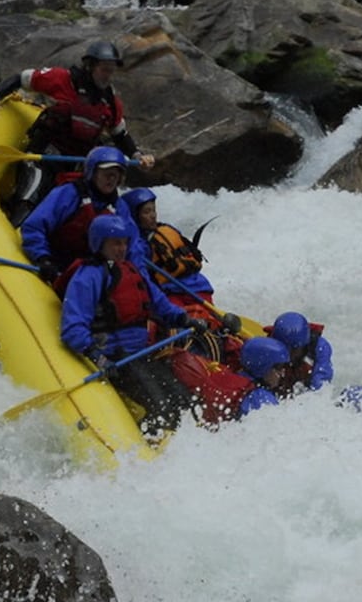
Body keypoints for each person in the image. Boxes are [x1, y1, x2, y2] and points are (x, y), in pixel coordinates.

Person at [60, 214, 196, 436]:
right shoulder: (88, 277)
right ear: (100, 243)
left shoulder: (130, 270)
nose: (121, 249)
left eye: (124, 243)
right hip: (116, 358)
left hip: (142, 353)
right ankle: (153, 442)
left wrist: (184, 319)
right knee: (160, 405)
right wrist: (97, 357)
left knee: (183, 399)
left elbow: (160, 304)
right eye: (115, 243)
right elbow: (73, 327)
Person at [0, 39, 155, 180]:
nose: (108, 76)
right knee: (31, 195)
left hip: (74, 162)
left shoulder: (110, 101)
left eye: (111, 71)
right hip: (43, 155)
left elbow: (120, 135)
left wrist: (137, 156)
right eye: (104, 70)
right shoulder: (62, 79)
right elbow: (20, 79)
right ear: (90, 66)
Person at [121, 186, 239, 363]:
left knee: (200, 325)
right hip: (174, 294)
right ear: (134, 215)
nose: (153, 215)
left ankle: (217, 351)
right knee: (187, 325)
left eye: (153, 210)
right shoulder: (138, 245)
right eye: (146, 212)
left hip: (193, 290)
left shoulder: (163, 232)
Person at [20, 146, 141, 289]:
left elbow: (133, 247)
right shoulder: (69, 193)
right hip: (56, 260)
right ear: (93, 173)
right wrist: (43, 258)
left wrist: (135, 276)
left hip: (91, 272)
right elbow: (34, 227)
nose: (111, 179)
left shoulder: (120, 208)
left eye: (115, 175)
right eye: (106, 173)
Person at [180, 337, 291, 426]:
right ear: (263, 367)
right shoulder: (260, 399)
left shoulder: (228, 377)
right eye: (278, 367)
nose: (282, 373)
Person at [265, 310, 334, 394]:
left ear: (304, 345)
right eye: (284, 349)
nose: (288, 355)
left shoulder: (318, 348)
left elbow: (320, 387)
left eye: (293, 350)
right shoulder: (268, 348)